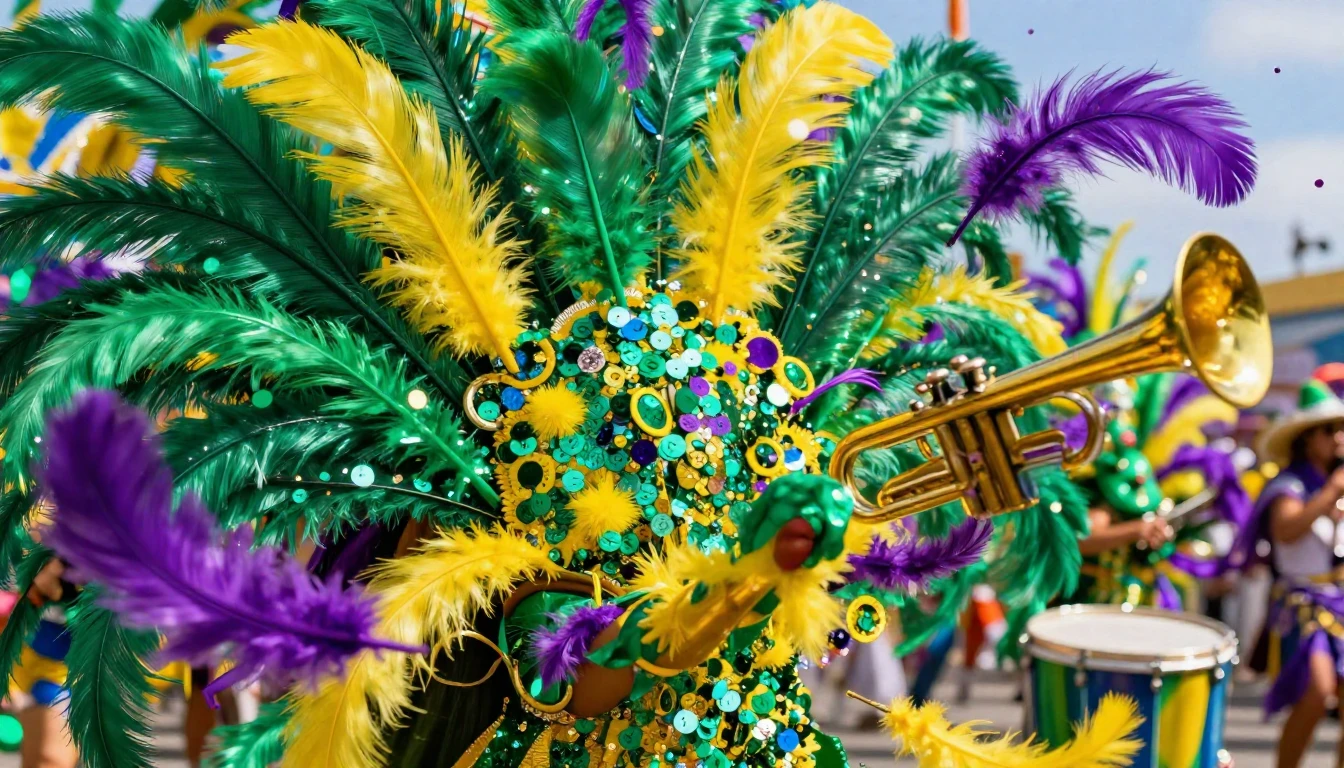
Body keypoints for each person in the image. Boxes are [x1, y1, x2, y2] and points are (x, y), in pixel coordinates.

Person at [1251, 380, 1344, 768]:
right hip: (1302, 604)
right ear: (1308, 438)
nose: (1339, 437)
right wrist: (1330, 494)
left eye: (1342, 429)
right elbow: (1286, 530)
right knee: (1317, 692)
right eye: (1330, 430)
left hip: (1339, 601)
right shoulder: (1289, 485)